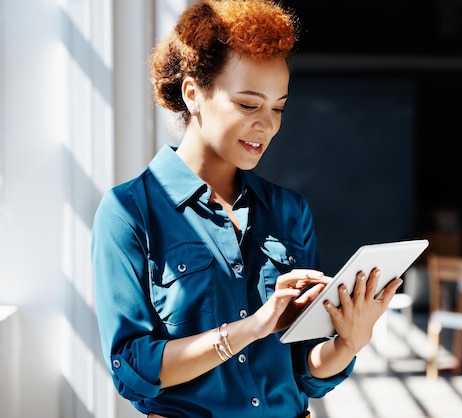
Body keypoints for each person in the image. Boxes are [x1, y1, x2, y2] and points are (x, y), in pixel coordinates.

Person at [91, 1, 403, 417]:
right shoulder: (128, 213)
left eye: (278, 108)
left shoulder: (289, 211)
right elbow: (132, 368)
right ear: (193, 94)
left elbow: (305, 371)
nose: (268, 125)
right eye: (249, 104)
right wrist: (252, 327)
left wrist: (349, 341)